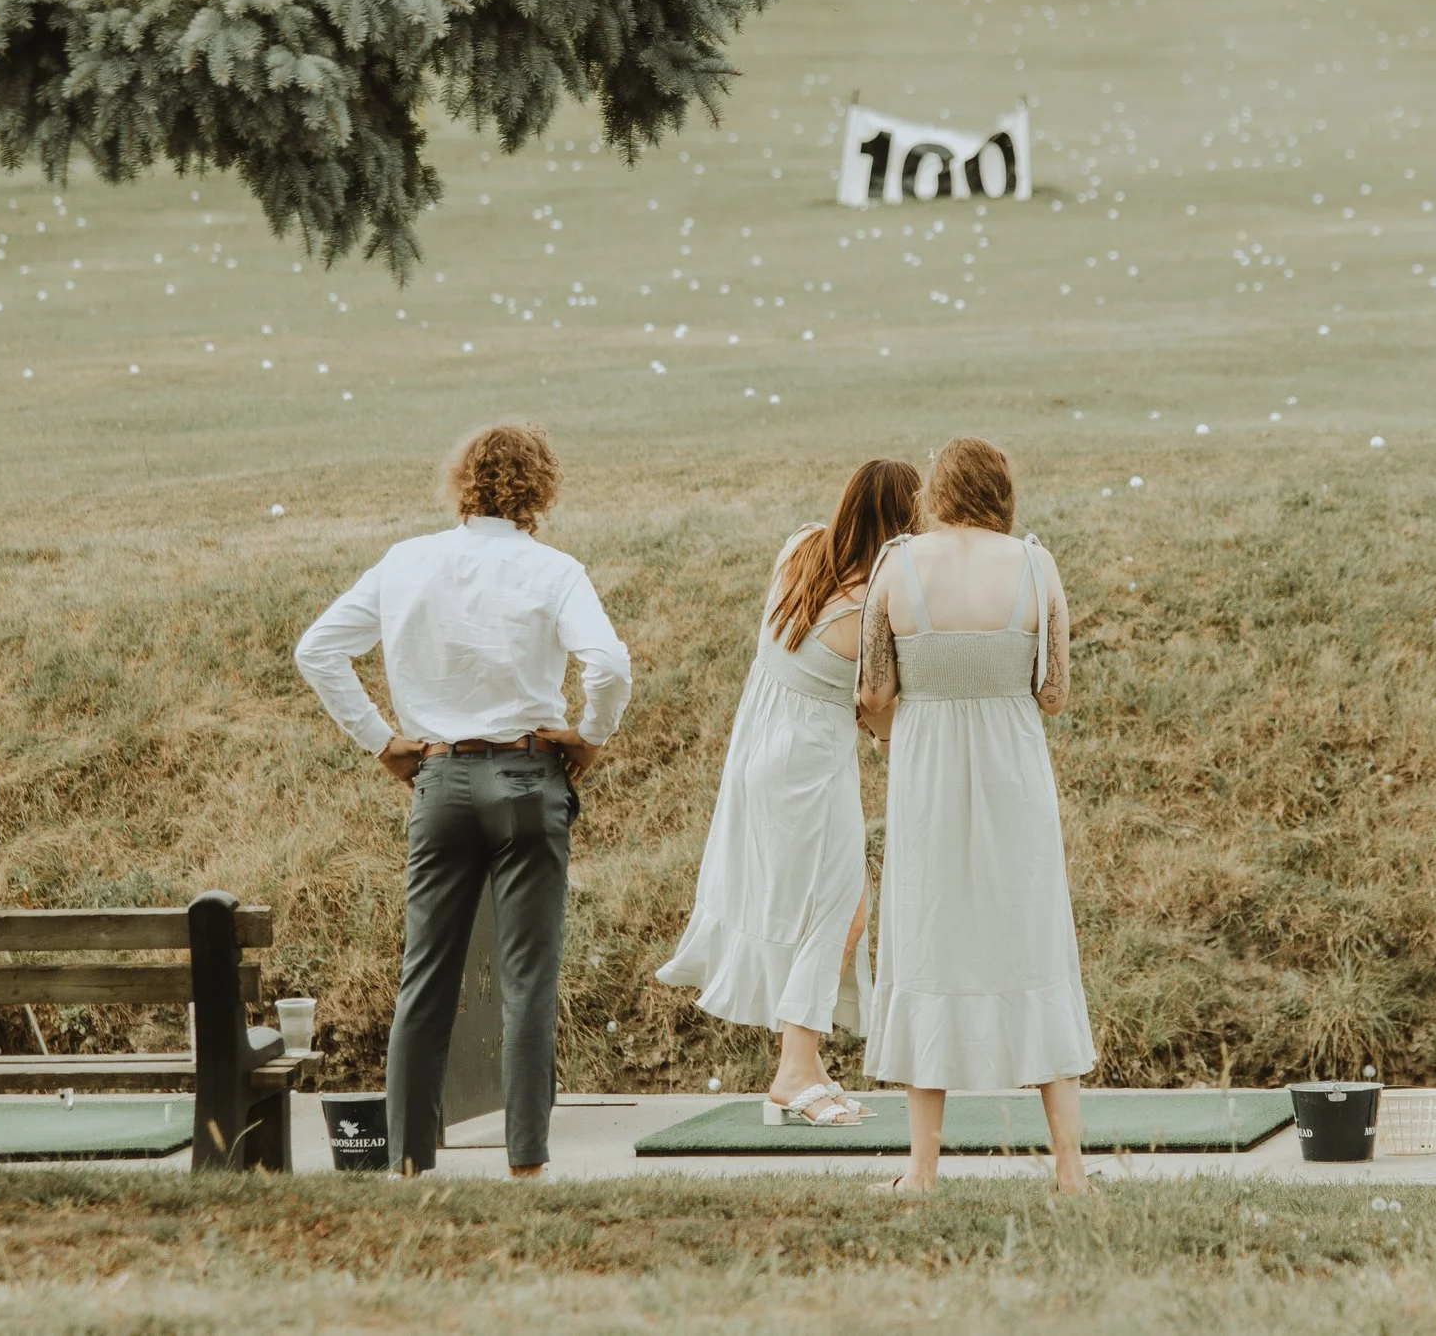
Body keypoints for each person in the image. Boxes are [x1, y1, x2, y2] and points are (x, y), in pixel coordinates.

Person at [295, 423, 631, 1179]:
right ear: (540, 489)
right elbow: (608, 662)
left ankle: (410, 1159)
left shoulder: (407, 561)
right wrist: (592, 735)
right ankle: (527, 1163)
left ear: (460, 483)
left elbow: (316, 648)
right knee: (527, 978)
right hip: (526, 776)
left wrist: (383, 739)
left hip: (439, 780)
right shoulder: (555, 569)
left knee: (426, 974)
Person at [856, 437, 1093, 1195]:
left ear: (938, 491)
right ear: (1000, 489)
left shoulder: (897, 565)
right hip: (1012, 774)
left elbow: (872, 691)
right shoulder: (1034, 563)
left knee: (928, 942)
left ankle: (922, 1171)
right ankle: (1070, 1169)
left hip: (926, 776)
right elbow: (1054, 692)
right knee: (1033, 940)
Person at [655, 460, 922, 1127]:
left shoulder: (800, 548)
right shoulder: (871, 605)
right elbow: (880, 712)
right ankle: (793, 1071)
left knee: (831, 909)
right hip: (811, 767)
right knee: (838, 910)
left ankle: (807, 1063)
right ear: (902, 523)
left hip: (760, 749)